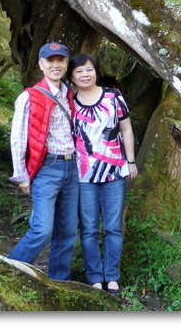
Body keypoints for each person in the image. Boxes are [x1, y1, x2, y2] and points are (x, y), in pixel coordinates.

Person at [67, 53, 138, 295]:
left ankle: (112, 277)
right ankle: (95, 277)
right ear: (72, 77)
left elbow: (127, 130)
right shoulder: (70, 102)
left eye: (88, 69)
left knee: (113, 227)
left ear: (95, 70)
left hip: (114, 172)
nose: (84, 75)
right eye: (78, 72)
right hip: (84, 176)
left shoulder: (113, 96)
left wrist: (131, 161)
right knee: (88, 229)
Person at [7, 42, 79, 281]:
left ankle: (59, 280)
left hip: (72, 168)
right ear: (41, 64)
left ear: (67, 64)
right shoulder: (29, 96)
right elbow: (18, 138)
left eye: (61, 60)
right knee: (42, 229)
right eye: (50, 60)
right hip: (47, 168)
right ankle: (10, 271)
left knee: (67, 231)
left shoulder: (69, 94)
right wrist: (21, 174)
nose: (56, 65)